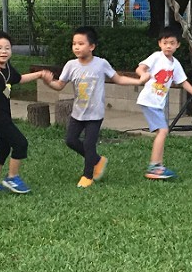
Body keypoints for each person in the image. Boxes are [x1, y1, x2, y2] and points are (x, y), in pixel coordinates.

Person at [42, 26, 149, 188]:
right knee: (71, 140)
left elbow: (118, 79)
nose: (76, 47)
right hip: (78, 112)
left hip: (95, 114)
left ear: (92, 46)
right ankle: (97, 160)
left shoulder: (101, 64)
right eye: (74, 44)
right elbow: (59, 85)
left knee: (89, 144)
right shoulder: (71, 65)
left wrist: (139, 81)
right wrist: (48, 82)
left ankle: (88, 176)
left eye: (81, 44)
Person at [0, 31, 54, 193]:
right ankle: (12, 178)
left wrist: (40, 74)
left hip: (3, 115)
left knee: (3, 148)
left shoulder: (7, 68)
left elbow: (19, 79)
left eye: (7, 48)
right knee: (21, 144)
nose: (4, 51)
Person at [135, 26, 192, 179]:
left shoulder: (175, 64)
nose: (168, 46)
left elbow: (183, 81)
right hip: (149, 100)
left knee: (162, 132)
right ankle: (154, 167)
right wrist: (143, 74)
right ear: (160, 43)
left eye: (172, 43)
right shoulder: (156, 57)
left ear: (178, 45)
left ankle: (158, 166)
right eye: (165, 43)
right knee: (163, 131)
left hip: (157, 103)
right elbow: (140, 68)